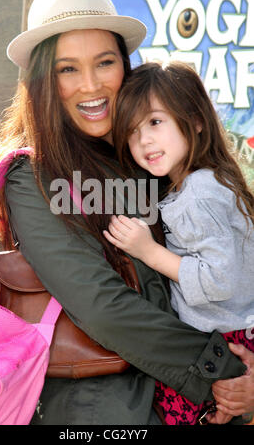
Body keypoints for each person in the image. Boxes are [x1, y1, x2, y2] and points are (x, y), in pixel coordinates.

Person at [0, 0, 254, 425]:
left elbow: (223, 264)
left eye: (104, 62)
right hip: (101, 409)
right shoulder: (30, 175)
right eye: (67, 69)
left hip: (182, 401)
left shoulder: (148, 159)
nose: (90, 85)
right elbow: (102, 306)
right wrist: (223, 370)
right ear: (42, 81)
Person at [104, 60, 254, 424]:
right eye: (132, 131)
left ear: (196, 120)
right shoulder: (206, 183)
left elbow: (220, 280)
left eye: (155, 122)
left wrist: (147, 251)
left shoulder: (199, 194)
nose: (144, 141)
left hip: (221, 341)